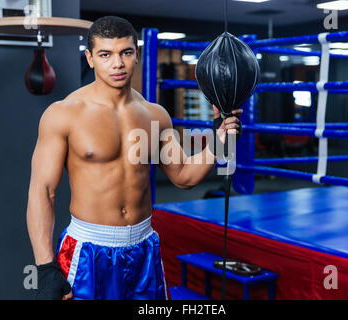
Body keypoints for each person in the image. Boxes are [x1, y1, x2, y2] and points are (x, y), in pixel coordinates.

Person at [26, 16, 242, 300]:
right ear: (90, 58)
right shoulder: (63, 114)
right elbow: (43, 191)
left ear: (136, 55)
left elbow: (184, 176)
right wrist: (44, 268)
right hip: (89, 250)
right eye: (105, 54)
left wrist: (220, 140)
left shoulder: (155, 115)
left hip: (143, 248)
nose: (117, 63)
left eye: (125, 52)